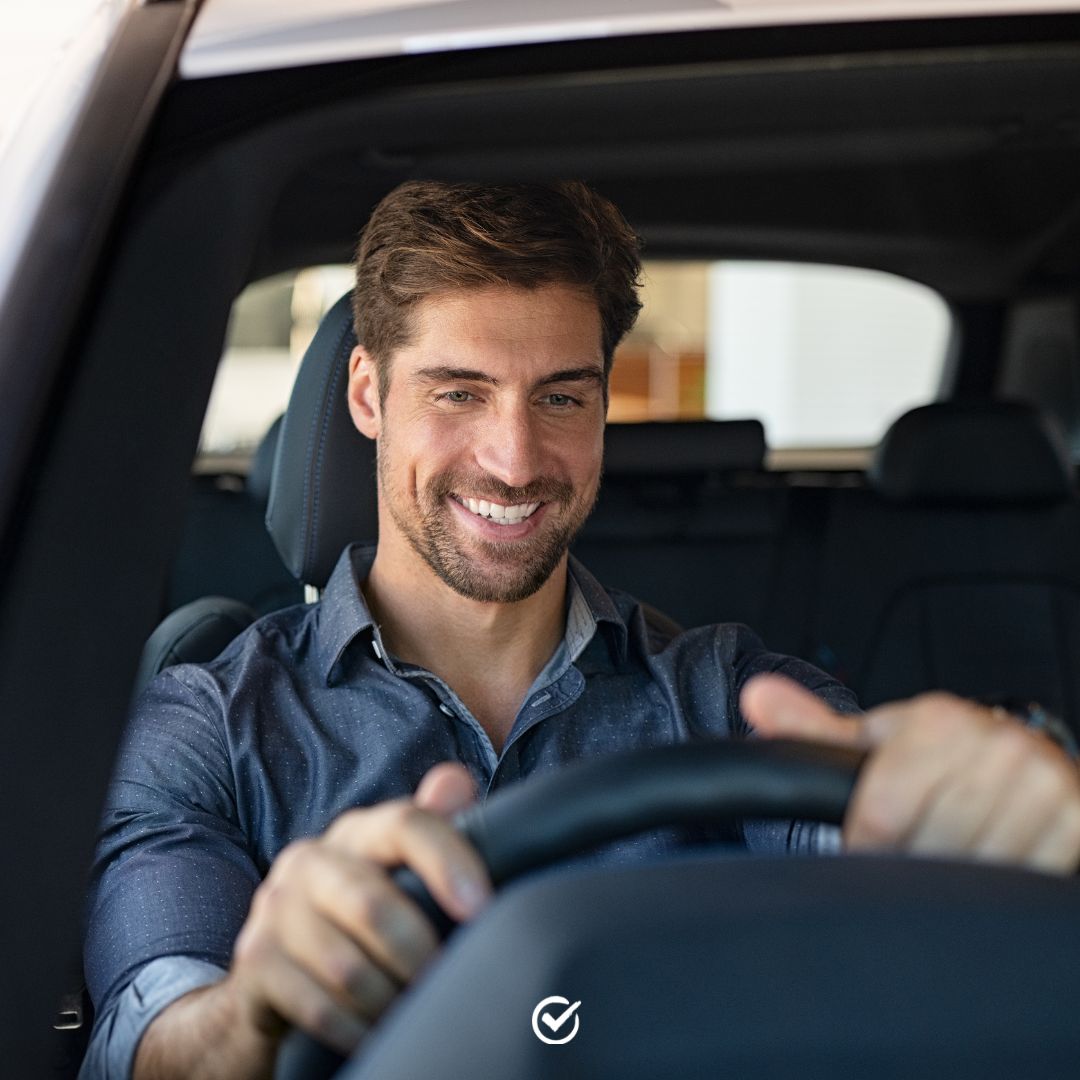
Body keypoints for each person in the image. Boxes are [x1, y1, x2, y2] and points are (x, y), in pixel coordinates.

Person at [80, 181, 1080, 1080]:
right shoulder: (206, 724)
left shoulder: (727, 697)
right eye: (459, 393)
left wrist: (990, 829)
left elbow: (880, 850)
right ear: (367, 396)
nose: (515, 461)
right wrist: (255, 1005)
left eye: (560, 396)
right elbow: (156, 1037)